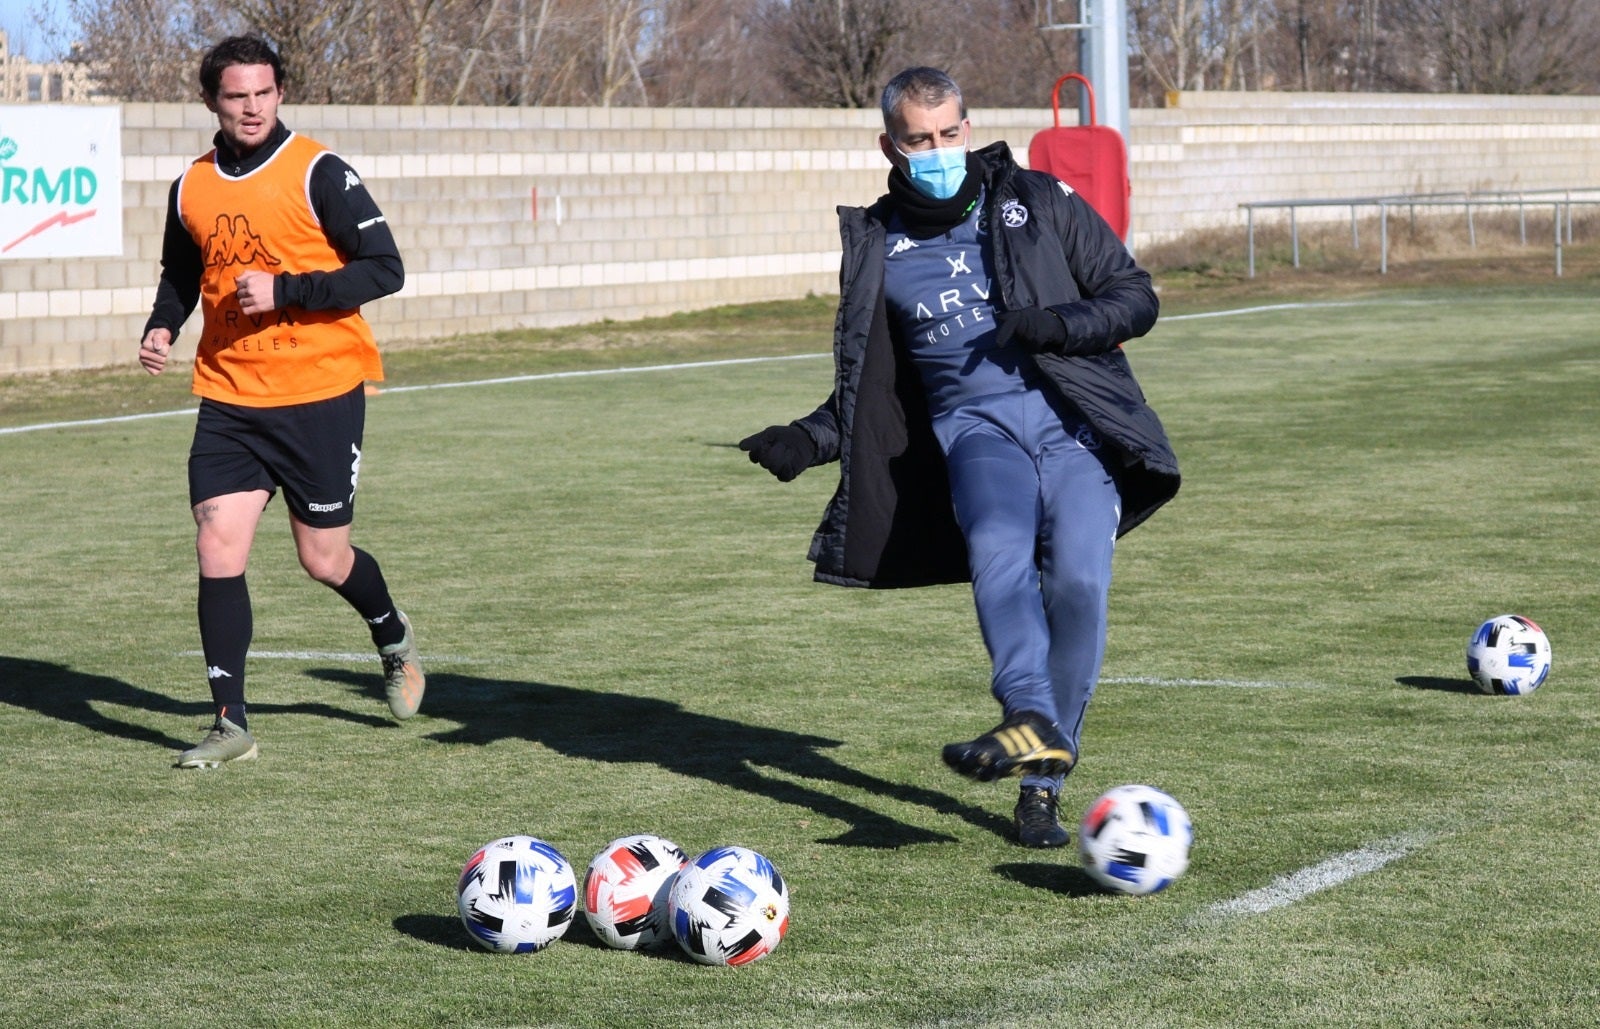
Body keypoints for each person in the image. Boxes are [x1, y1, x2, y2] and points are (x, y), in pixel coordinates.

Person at [739, 67, 1179, 847]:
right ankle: (1027, 716)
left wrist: (1059, 324)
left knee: (1078, 580)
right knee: (997, 549)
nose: (937, 150)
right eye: (919, 139)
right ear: (890, 145)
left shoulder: (1039, 203)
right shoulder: (878, 244)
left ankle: (1042, 783)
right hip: (974, 436)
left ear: (967, 129)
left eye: (949, 134)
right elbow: (869, 385)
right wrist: (808, 438)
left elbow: (1134, 294)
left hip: (1073, 426)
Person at [138, 35, 423, 769]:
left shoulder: (319, 171)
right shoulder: (190, 186)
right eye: (237, 96)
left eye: (263, 92)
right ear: (211, 102)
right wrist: (162, 325)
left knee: (323, 558)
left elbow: (385, 268)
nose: (252, 106)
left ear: (280, 92)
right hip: (229, 397)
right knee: (216, 540)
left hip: (319, 393)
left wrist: (289, 289)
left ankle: (392, 635)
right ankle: (230, 720)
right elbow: (181, 268)